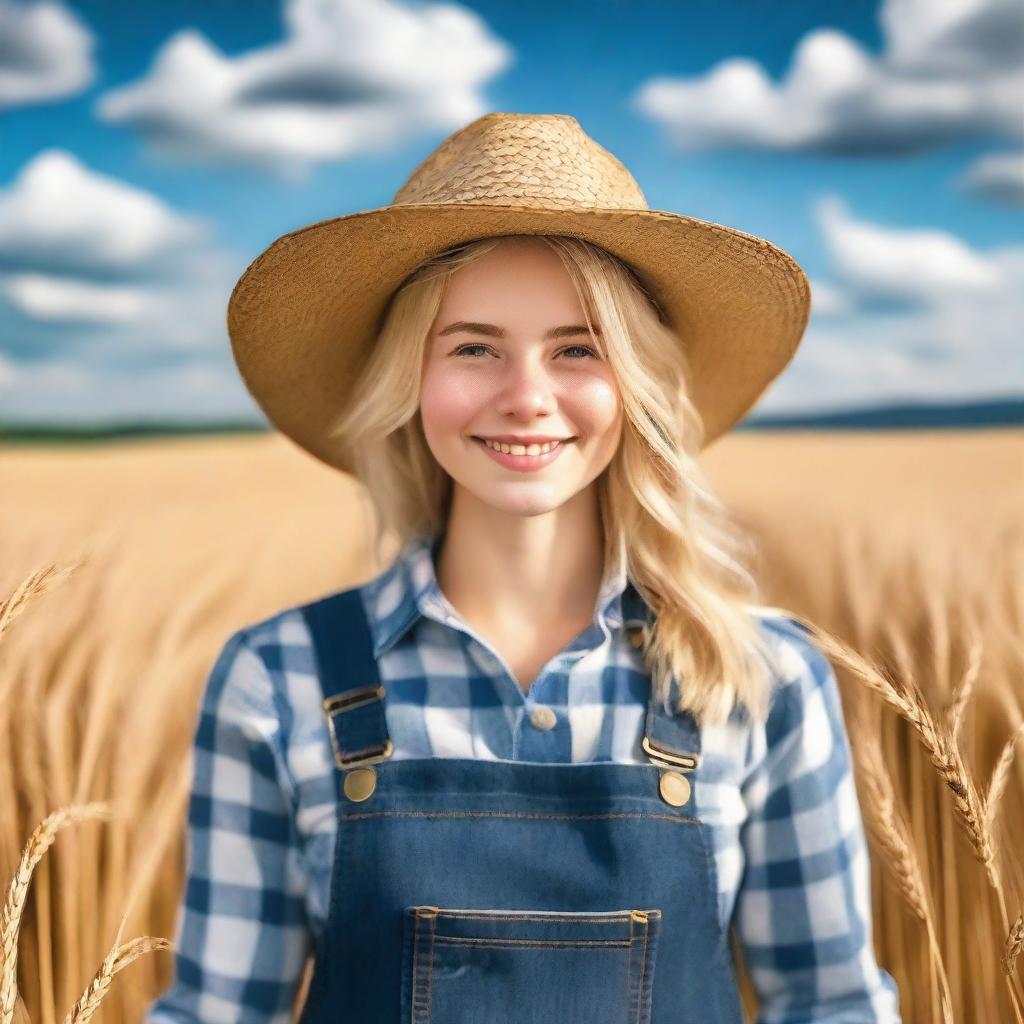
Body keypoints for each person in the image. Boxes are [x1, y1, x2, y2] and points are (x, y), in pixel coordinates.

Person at [144, 113, 902, 1023]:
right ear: (407, 381)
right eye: (474, 347)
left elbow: (832, 1006)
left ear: (637, 382)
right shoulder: (278, 680)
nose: (527, 397)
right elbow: (217, 1013)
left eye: (578, 348)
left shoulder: (761, 679)